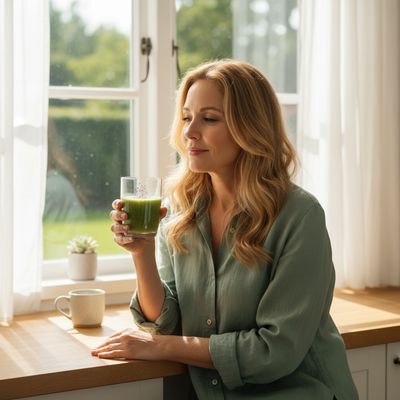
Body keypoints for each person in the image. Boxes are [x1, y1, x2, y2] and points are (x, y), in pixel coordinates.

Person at [92, 59, 358, 400]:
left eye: (209, 118)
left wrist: (160, 347)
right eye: (187, 117)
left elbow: (273, 351)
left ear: (251, 128)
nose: (189, 132)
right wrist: (141, 253)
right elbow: (169, 321)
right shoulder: (181, 210)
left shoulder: (299, 216)